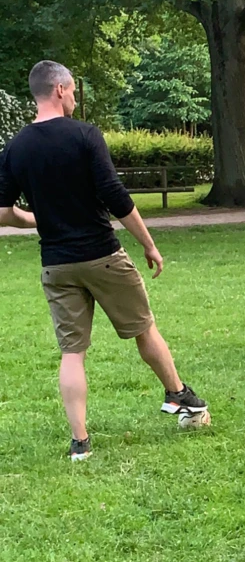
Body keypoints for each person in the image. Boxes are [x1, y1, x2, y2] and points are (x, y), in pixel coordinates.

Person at [0, 61, 208, 461]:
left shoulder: (17, 146)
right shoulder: (84, 135)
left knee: (72, 352)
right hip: (102, 255)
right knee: (144, 329)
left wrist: (33, 220)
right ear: (59, 89)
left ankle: (80, 443)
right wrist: (149, 244)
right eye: (74, 89)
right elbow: (115, 196)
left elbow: (2, 209)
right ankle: (178, 394)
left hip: (56, 264)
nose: (75, 97)